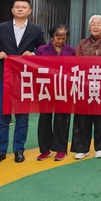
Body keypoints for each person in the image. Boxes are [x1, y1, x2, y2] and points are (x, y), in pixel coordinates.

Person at [0, 0, 45, 165]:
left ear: (29, 11)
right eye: (17, 7)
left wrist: (33, 54)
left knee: (22, 117)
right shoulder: (1, 27)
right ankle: (0, 151)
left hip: (24, 78)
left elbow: (43, 48)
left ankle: (19, 149)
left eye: (23, 7)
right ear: (12, 10)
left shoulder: (35, 29)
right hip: (3, 76)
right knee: (2, 115)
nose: (20, 9)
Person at [71, 15, 101, 160]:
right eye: (93, 24)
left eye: (98, 24)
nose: (95, 27)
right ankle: (82, 148)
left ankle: (100, 147)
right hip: (85, 86)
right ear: (89, 27)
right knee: (82, 118)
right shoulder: (82, 44)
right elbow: (76, 63)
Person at [35, 24, 76, 162]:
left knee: (61, 119)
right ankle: (45, 149)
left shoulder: (70, 51)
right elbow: (36, 67)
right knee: (44, 119)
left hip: (63, 89)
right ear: (52, 36)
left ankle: (61, 149)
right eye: (58, 37)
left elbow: (74, 69)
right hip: (46, 88)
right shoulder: (42, 50)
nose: (61, 40)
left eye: (64, 38)